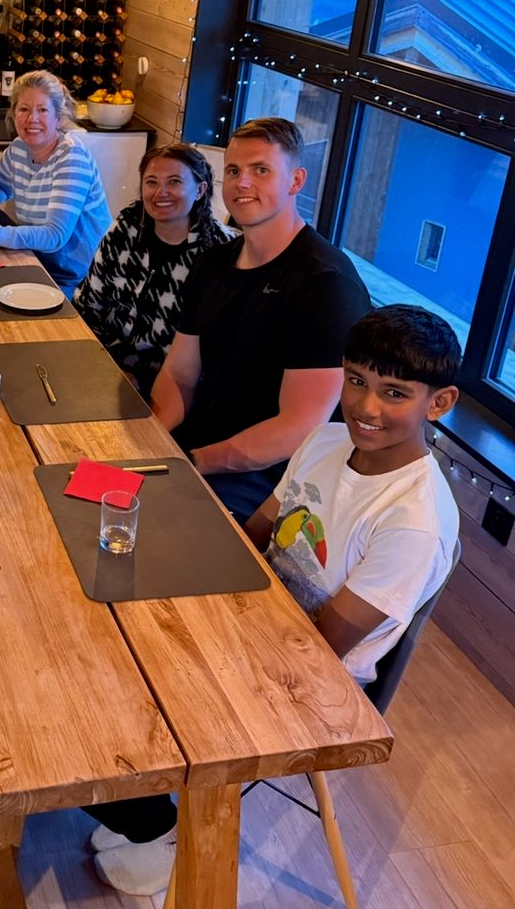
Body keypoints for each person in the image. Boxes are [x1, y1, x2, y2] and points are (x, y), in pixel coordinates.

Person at [84, 304, 461, 898]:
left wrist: (200, 630)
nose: (365, 407)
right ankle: (145, 803)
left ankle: (157, 819)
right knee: (94, 617)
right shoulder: (328, 438)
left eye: (395, 393)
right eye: (356, 381)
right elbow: (255, 535)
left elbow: (321, 646)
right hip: (257, 614)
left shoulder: (414, 518)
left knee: (99, 694)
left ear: (438, 403)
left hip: (311, 677)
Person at [150, 117, 370, 521]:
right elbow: (179, 374)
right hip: (201, 448)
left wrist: (195, 461)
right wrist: (150, 441)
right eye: (233, 171)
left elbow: (298, 427)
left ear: (296, 180)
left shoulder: (326, 284)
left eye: (261, 170)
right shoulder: (213, 264)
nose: (242, 183)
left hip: (272, 480)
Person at [74, 143, 234, 398]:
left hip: (173, 390)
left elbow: (209, 352)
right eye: (151, 182)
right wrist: (106, 364)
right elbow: (88, 305)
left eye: (174, 182)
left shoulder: (219, 252)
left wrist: (139, 380)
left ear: (201, 190)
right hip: (104, 364)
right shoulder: (126, 227)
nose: (161, 192)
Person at [0, 70, 111, 299]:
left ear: (58, 117)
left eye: (43, 110)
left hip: (79, 283)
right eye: (24, 109)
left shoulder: (71, 157)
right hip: (35, 263)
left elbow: (54, 236)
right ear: (13, 114)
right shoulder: (19, 148)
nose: (31, 119)